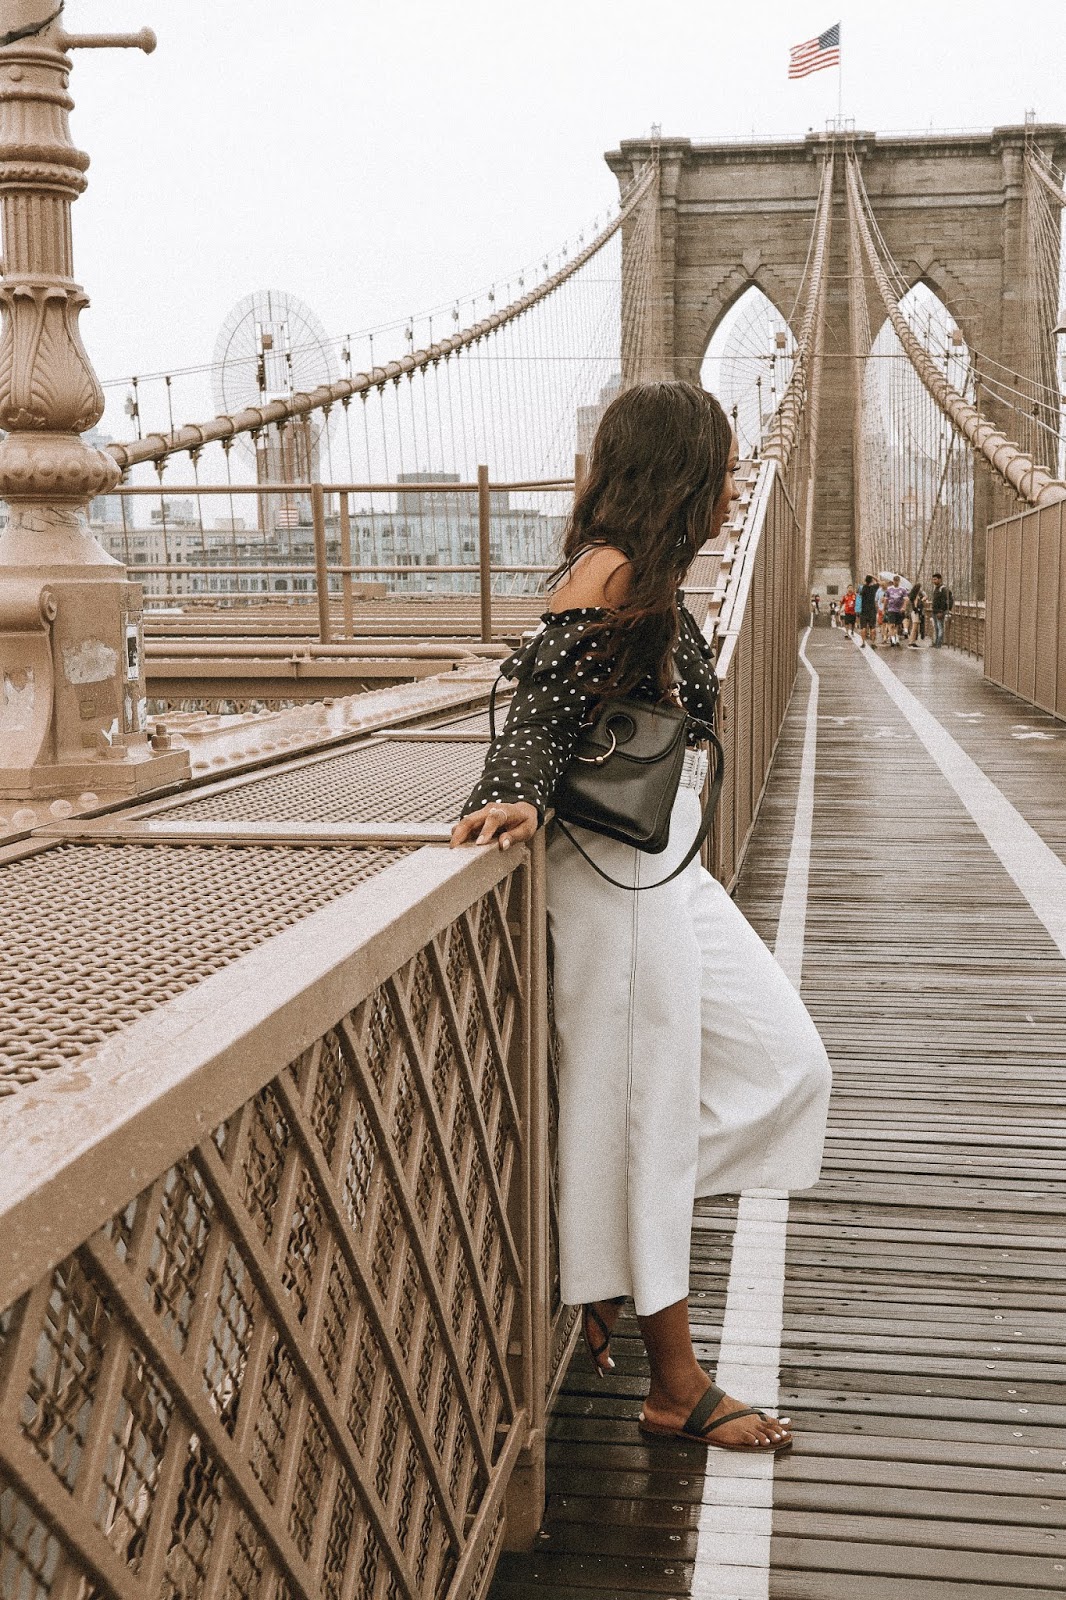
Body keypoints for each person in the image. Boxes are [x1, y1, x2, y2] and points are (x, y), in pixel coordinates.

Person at [452, 381, 831, 1454]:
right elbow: (542, 706)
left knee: (788, 1067)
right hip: (610, 874)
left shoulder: (652, 577)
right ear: (681, 475)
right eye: (724, 469)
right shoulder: (611, 572)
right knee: (647, 1111)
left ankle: (607, 1237)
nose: (736, 489)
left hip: (664, 866)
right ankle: (675, 1382)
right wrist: (512, 793)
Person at [883, 575, 907, 646]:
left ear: (899, 581)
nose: (896, 582)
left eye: (897, 581)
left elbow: (906, 600)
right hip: (891, 609)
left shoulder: (903, 589)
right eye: (895, 581)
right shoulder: (889, 589)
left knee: (897, 625)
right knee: (892, 625)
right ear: (893, 581)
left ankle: (896, 637)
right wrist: (884, 608)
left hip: (899, 610)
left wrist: (903, 607)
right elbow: (886, 599)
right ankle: (893, 640)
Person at [931, 572, 953, 647]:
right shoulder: (936, 588)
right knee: (936, 628)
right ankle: (936, 642)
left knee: (940, 627)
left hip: (939, 612)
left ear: (940, 579)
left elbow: (944, 601)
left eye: (935, 579)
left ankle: (938, 643)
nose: (934, 581)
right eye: (933, 579)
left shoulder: (943, 589)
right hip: (935, 611)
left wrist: (941, 611)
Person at [858, 574, 880, 648]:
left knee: (863, 627)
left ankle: (863, 642)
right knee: (872, 627)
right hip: (872, 610)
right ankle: (873, 643)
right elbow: (879, 582)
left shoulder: (863, 588)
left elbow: (859, 593)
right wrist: (873, 576)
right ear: (871, 581)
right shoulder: (874, 588)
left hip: (864, 610)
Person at [906, 582, 926, 648]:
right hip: (915, 612)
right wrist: (916, 609)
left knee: (915, 627)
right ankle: (911, 642)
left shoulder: (913, 594)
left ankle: (913, 641)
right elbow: (915, 603)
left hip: (913, 611)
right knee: (914, 627)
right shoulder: (916, 595)